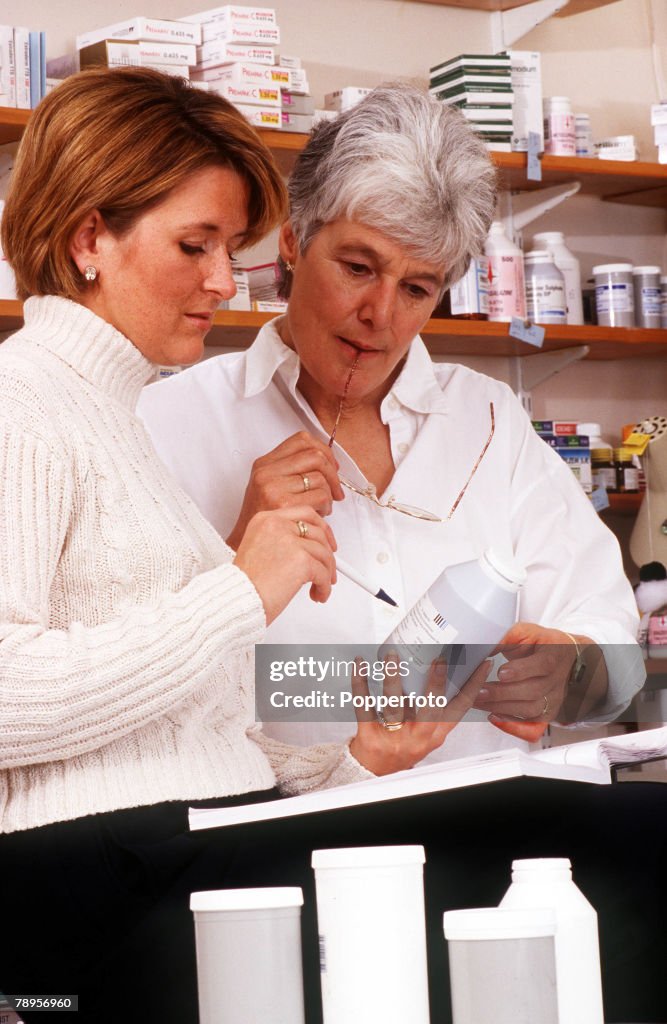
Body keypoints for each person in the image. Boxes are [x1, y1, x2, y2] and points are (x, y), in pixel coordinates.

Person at [0, 68, 480, 1024]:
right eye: (195, 244)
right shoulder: (25, 404)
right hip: (111, 870)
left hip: (191, 835)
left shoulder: (113, 416)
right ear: (89, 237)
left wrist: (348, 775)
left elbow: (196, 708)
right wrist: (238, 589)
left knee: (528, 845)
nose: (226, 281)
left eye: (229, 246)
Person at [139, 82, 645, 761]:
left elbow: (615, 658)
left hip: (489, 839)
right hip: (274, 841)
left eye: (416, 288)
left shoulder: (488, 420)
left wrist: (569, 673)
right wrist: (234, 565)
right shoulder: (171, 419)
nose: (381, 314)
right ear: (292, 242)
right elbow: (132, 687)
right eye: (357, 267)